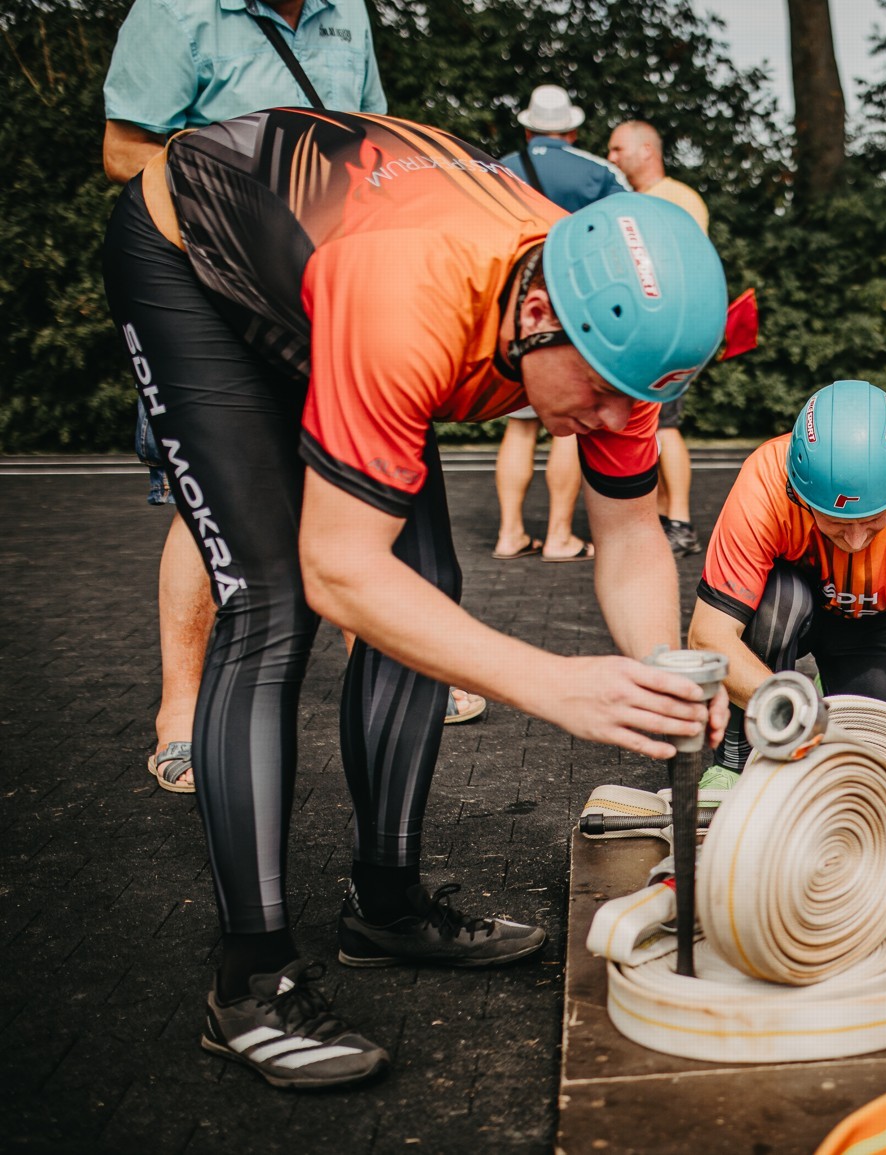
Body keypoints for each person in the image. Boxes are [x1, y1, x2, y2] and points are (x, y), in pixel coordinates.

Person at [102, 108, 728, 1088]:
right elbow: (339, 571)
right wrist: (553, 685)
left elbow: (629, 533)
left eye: (633, 400)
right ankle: (249, 982)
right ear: (538, 313)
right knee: (272, 603)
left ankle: (384, 906)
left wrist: (659, 675)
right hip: (196, 258)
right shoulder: (413, 300)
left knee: (427, 584)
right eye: (601, 393)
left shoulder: (617, 342)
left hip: (341, 261)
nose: (611, 420)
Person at [101, 0, 406, 792]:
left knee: (343, 480)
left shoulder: (348, 10)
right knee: (204, 498)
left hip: (319, 288)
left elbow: (371, 140)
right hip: (204, 294)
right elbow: (123, 151)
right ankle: (181, 711)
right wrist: (248, 202)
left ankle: (387, 672)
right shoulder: (176, 11)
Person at [688, 381, 886, 781]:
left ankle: (834, 686)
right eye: (835, 520)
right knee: (782, 599)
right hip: (786, 609)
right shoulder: (765, 480)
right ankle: (735, 759)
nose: (855, 540)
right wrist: (792, 708)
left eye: (873, 519)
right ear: (799, 494)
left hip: (871, 620)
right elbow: (708, 635)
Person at [492, 85, 630, 564]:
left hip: (514, 314)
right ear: (571, 130)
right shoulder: (598, 171)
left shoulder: (496, 171)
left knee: (518, 429)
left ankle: (509, 534)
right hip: (576, 315)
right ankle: (559, 536)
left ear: (528, 129)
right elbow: (630, 233)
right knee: (568, 426)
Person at [608, 119, 710, 556]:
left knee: (664, 425)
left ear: (647, 150)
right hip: (643, 333)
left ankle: (681, 523)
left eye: (618, 149)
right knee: (651, 426)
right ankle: (666, 517)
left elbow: (680, 270)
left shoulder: (677, 199)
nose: (611, 158)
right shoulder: (631, 201)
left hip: (667, 331)